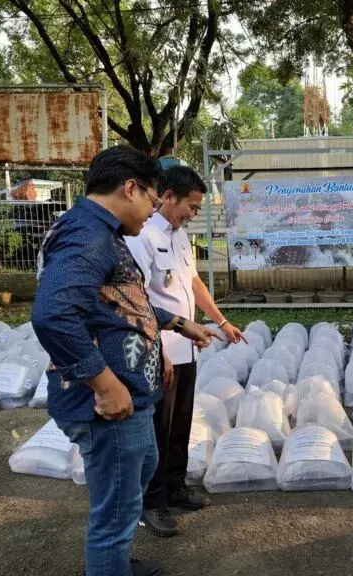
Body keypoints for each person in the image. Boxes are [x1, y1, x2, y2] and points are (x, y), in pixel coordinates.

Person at [32, 146, 217, 576]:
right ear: (130, 188)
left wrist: (172, 324)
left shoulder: (104, 232)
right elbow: (53, 314)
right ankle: (111, 567)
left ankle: (116, 563)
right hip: (106, 406)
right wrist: (105, 384)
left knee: (136, 477)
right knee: (116, 507)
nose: (152, 212)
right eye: (153, 202)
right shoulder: (87, 235)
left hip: (132, 392)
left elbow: (119, 303)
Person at [126, 166, 245, 537]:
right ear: (168, 196)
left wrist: (221, 321)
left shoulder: (179, 238)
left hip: (187, 349)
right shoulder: (141, 237)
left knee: (179, 424)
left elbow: (192, 283)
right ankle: (151, 502)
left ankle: (175, 486)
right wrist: (159, 345)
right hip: (158, 351)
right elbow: (138, 300)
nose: (193, 215)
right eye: (190, 207)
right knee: (156, 431)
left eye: (197, 209)